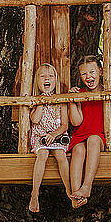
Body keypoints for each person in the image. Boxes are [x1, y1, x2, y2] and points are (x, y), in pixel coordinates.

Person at [68, 55, 111, 207]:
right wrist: (73, 102)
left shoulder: (109, 92)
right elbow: (76, 121)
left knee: (92, 139)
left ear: (100, 71)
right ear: (80, 76)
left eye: (92, 72)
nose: (88, 77)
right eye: (84, 74)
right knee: (78, 149)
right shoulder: (79, 93)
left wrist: (109, 102)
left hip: (100, 137)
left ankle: (87, 186)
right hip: (80, 135)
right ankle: (75, 194)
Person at [28, 63, 71, 213]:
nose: (47, 79)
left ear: (55, 81)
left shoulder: (61, 101)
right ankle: (35, 193)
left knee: (61, 155)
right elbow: (35, 120)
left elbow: (65, 125)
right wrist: (41, 102)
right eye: (43, 76)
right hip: (40, 136)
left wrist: (54, 135)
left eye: (50, 76)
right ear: (37, 82)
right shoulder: (36, 100)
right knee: (43, 154)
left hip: (57, 135)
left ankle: (69, 190)